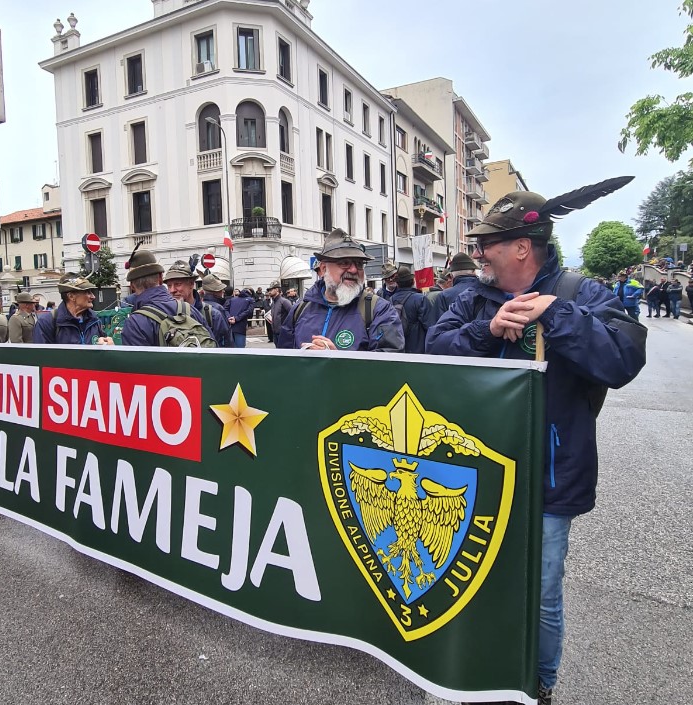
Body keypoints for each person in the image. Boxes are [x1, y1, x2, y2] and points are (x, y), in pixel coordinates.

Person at [425, 188, 646, 705]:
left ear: (523, 247)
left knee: (542, 593)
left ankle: (538, 684)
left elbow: (621, 361)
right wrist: (486, 331)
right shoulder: (471, 298)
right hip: (471, 477)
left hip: (549, 477)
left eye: (489, 245)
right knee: (469, 581)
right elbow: (433, 350)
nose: (480, 254)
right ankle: (472, 672)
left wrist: (557, 316)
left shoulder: (582, 294)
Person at [276, 229, 405, 352]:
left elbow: (389, 366)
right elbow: (284, 363)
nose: (354, 270)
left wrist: (338, 361)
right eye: (344, 262)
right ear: (323, 269)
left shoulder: (379, 310)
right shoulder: (300, 310)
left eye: (359, 264)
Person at [120, 247, 213, 347]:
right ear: (160, 278)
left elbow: (135, 362)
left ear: (132, 286)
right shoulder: (191, 310)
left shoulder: (135, 324)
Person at [34, 275, 112, 345]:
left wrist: (108, 346)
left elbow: (103, 351)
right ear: (71, 296)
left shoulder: (94, 319)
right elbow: (42, 357)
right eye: (87, 292)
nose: (93, 296)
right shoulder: (47, 322)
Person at [164, 260, 228, 345]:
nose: (172, 290)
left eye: (178, 284)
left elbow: (226, 350)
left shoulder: (212, 315)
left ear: (191, 284)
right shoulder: (165, 314)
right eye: (169, 286)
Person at [386, 265, 430, 354]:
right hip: (418, 350)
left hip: (397, 349)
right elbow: (430, 326)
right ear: (413, 281)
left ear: (397, 284)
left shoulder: (389, 301)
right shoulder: (420, 299)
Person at [199, 272, 231, 347]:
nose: (223, 291)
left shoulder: (200, 305)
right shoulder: (218, 308)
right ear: (215, 292)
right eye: (221, 289)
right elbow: (225, 336)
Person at [265, 280, 292, 347]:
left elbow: (293, 316)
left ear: (277, 290)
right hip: (275, 333)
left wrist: (287, 330)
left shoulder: (284, 302)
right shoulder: (273, 303)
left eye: (271, 290)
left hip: (284, 334)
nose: (269, 292)